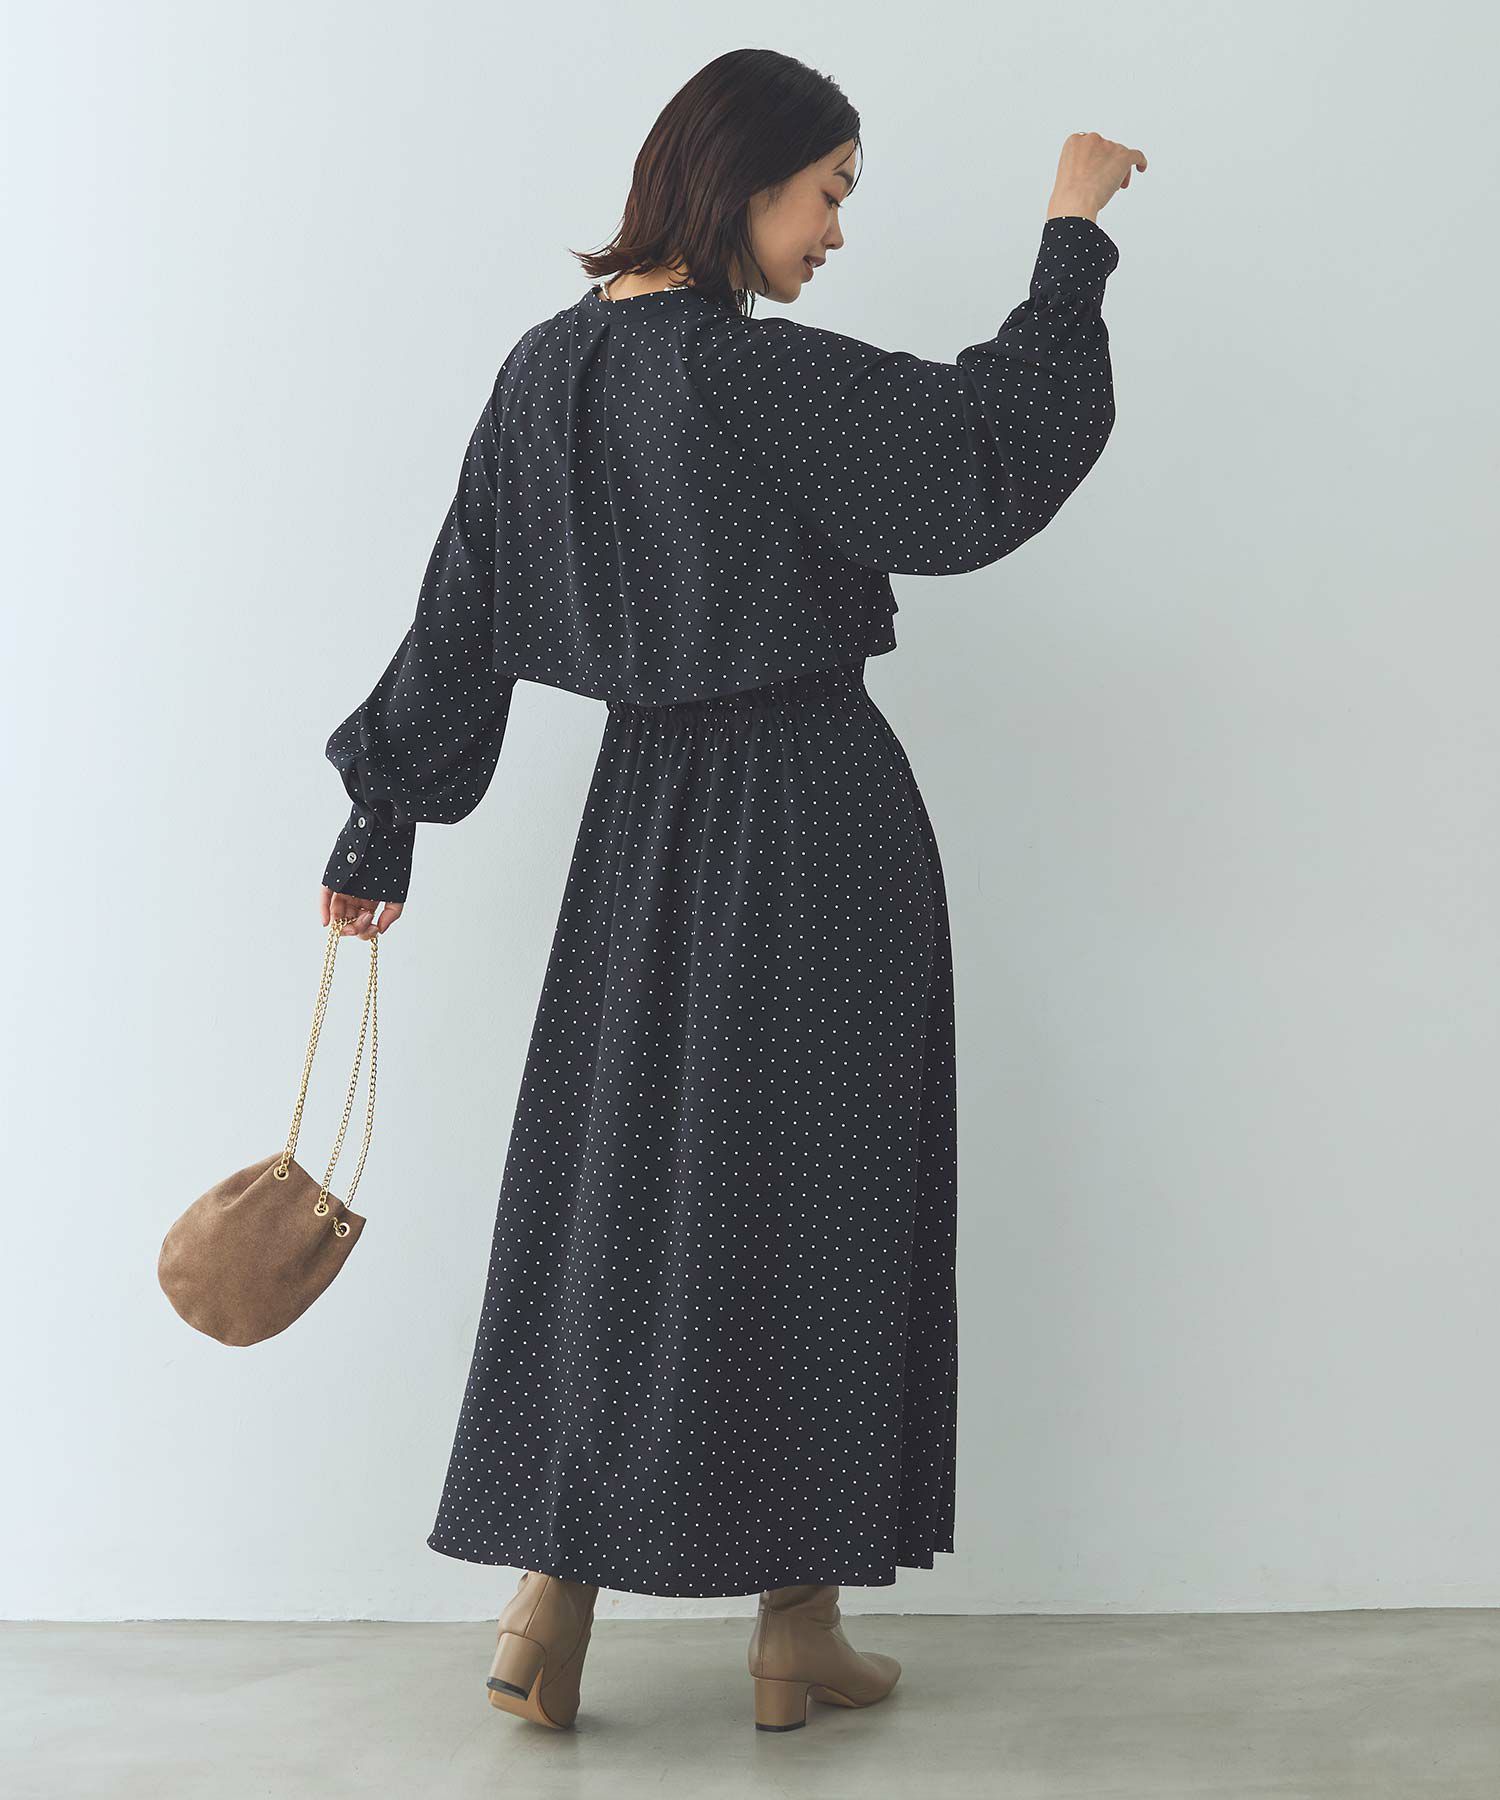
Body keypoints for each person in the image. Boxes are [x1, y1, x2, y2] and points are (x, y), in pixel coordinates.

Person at [315, 48, 1143, 1734]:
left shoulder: (543, 373)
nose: (837, 231)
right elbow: (992, 446)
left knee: (610, 1194)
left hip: (641, 827)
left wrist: (383, 818)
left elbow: (461, 603)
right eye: (828, 192)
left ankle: (550, 1612)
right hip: (816, 814)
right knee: (822, 1201)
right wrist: (1073, 231)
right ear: (744, 178)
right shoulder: (748, 375)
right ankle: (793, 1629)